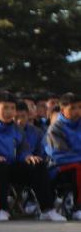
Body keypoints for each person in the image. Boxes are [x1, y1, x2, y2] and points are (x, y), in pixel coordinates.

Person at [0, 91, 61, 222]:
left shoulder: (17, 129)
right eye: (5, 107)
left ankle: (47, 210)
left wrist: (28, 157)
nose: (9, 111)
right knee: (0, 165)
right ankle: (0, 209)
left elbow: (23, 151)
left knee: (37, 165)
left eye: (12, 108)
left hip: (8, 169)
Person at [45, 92, 81, 220]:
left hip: (76, 162)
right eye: (73, 108)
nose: (77, 111)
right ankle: (78, 208)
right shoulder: (56, 128)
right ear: (62, 109)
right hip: (58, 167)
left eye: (80, 107)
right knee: (79, 168)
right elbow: (59, 155)